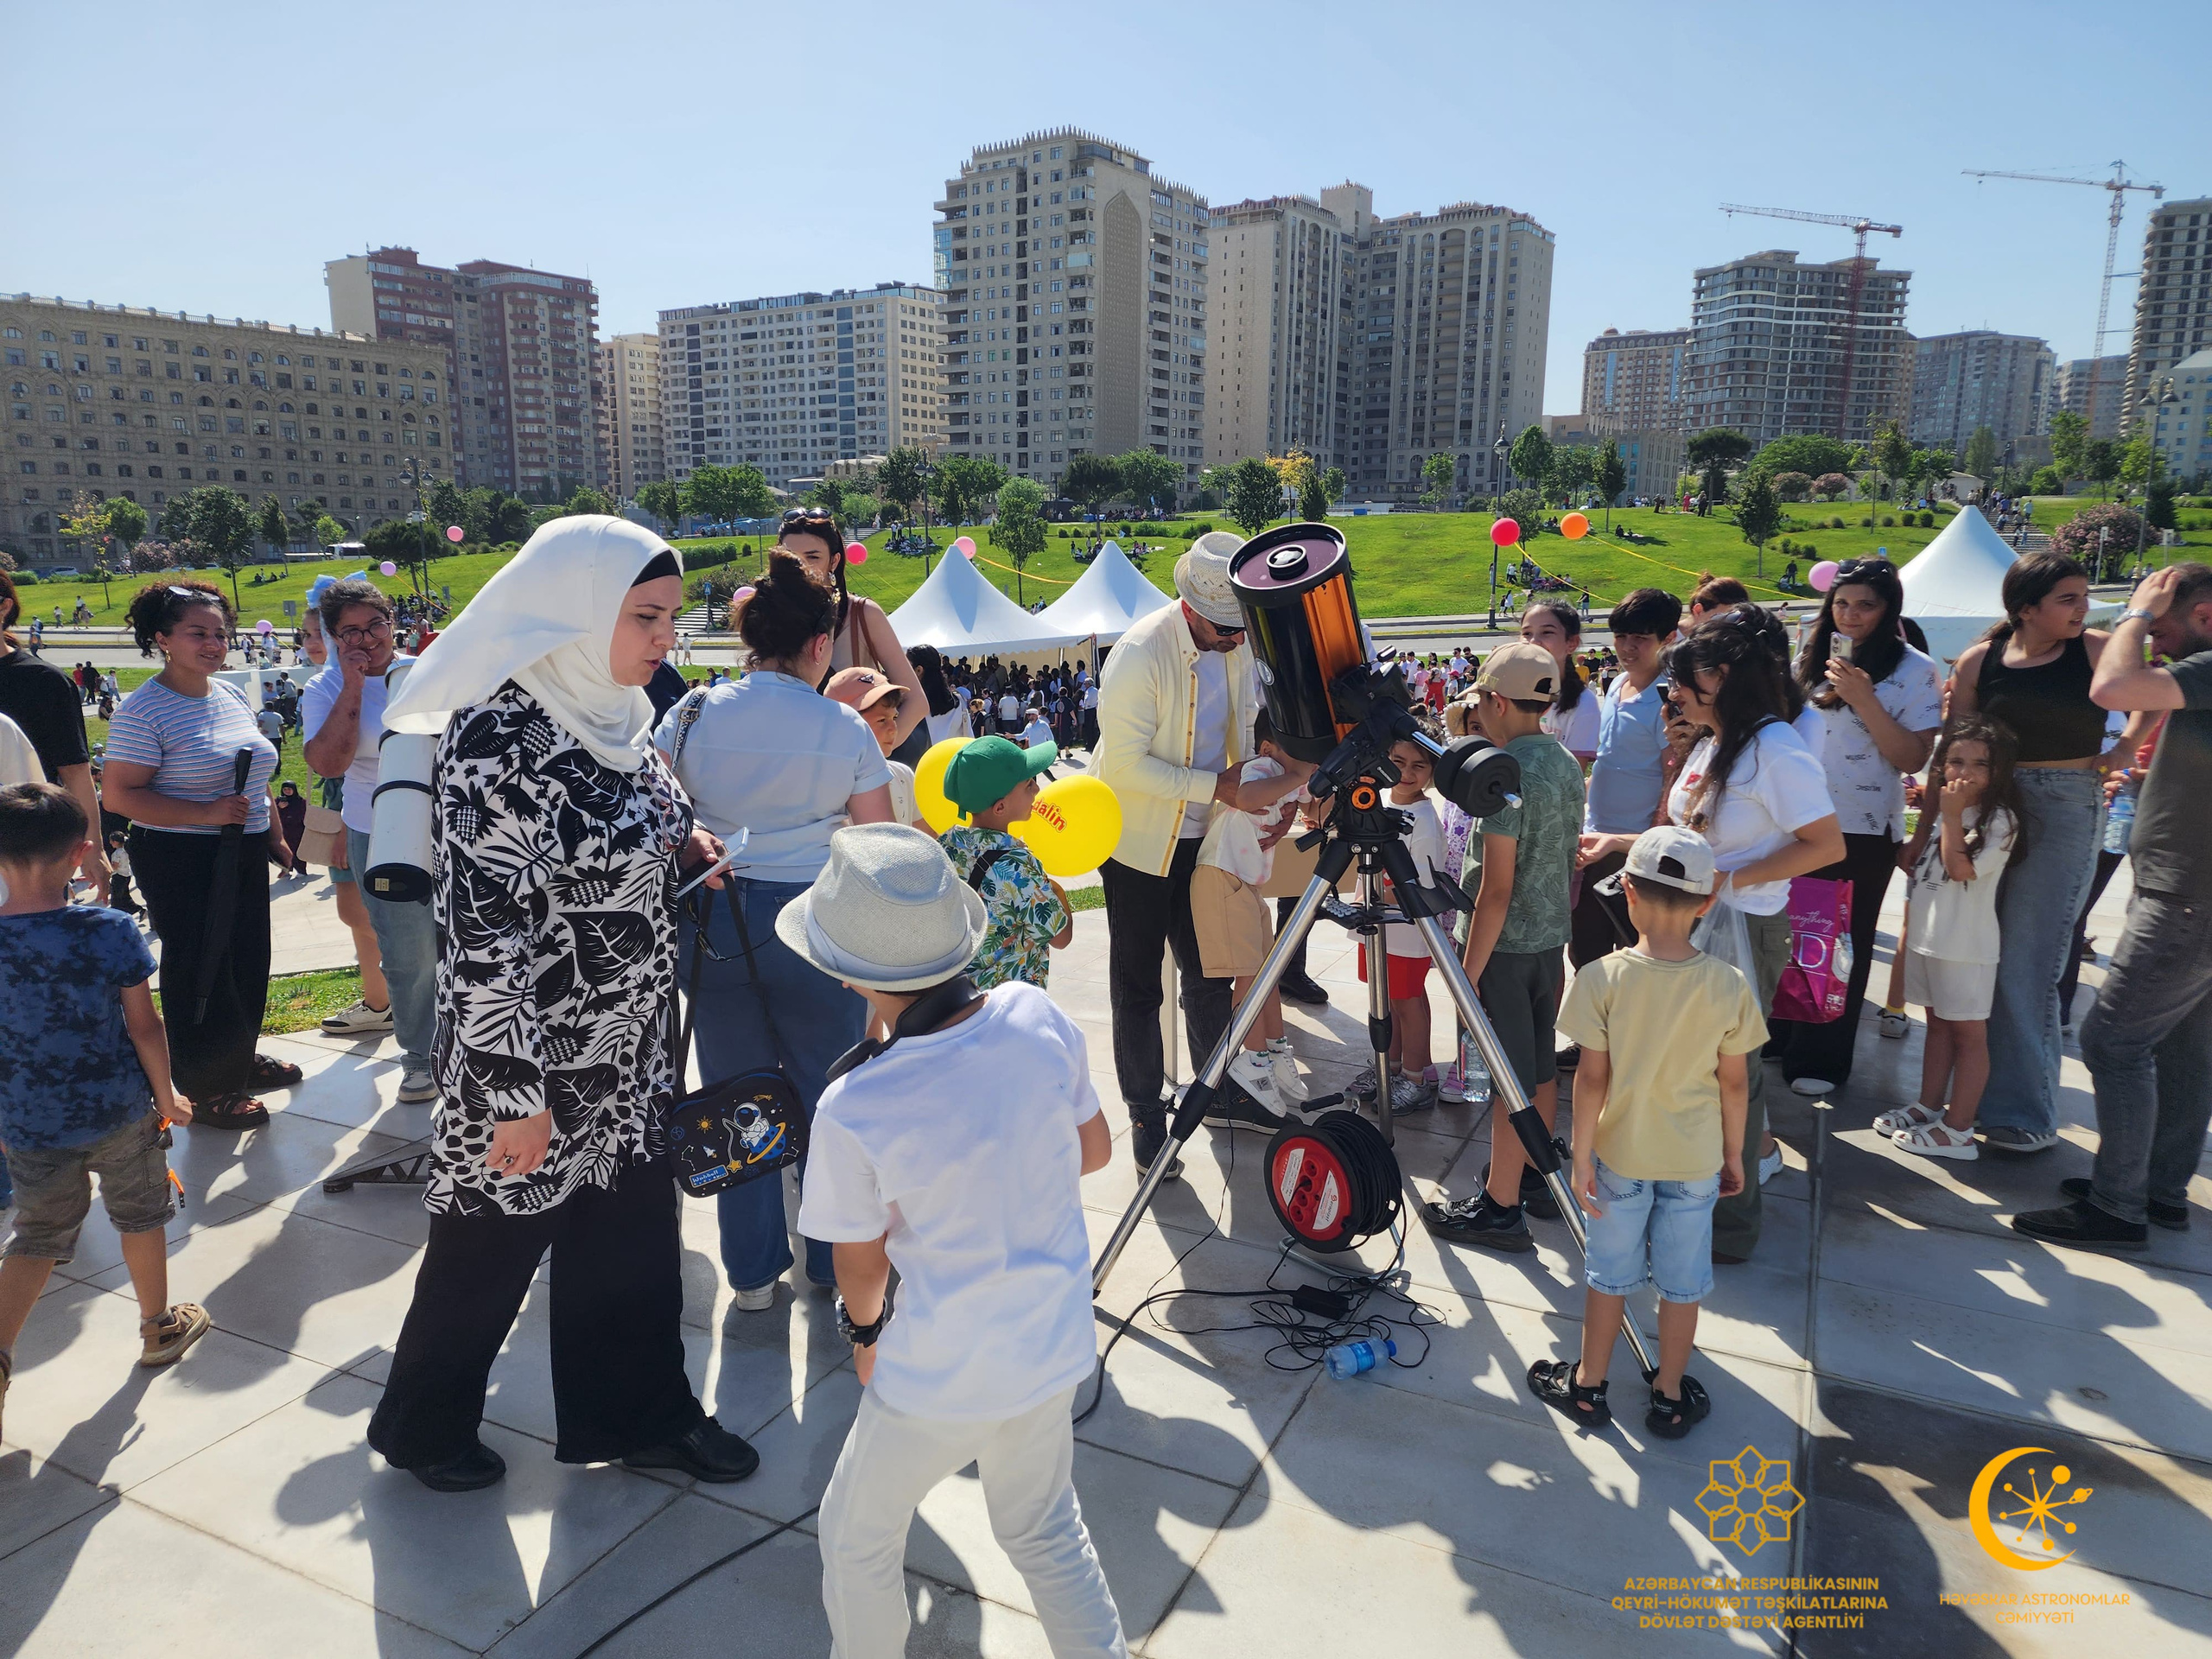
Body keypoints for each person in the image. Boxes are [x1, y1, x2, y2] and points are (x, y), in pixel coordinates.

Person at [369, 514, 757, 1493]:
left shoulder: (617, 714)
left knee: (630, 1244)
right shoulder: (497, 739)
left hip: (626, 1048)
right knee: (486, 1251)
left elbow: (652, 811)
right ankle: (419, 1429)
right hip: (531, 1062)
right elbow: (482, 938)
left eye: (672, 616)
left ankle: (643, 1415)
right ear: (577, 616)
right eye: (646, 617)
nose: (668, 638)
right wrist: (514, 1095)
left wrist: (688, 847)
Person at [790, 825, 1126, 1659]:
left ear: (842, 970)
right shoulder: (1033, 1012)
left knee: (858, 1535)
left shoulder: (854, 1105)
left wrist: (865, 1336)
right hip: (1049, 1341)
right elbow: (1093, 1150)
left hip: (938, 1368)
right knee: (1046, 1531)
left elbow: (859, 1261)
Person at [658, 550, 893, 1312]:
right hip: (814, 923)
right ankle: (829, 1263)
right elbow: (878, 841)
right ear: (821, 644)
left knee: (734, 1095)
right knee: (828, 1099)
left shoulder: (690, 711)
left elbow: (657, 815)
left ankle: (754, 1275)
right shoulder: (844, 725)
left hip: (715, 919)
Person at [1582, 606, 1840, 1262]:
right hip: (1693, 923)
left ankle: (1728, 1227)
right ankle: (1680, 1201)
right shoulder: (1711, 741)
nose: (1672, 693)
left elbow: (1824, 844)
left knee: (1732, 1079)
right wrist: (1622, 841)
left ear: (1721, 676)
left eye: (1684, 680)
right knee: (1680, 1069)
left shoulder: (1776, 748)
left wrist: (1733, 880)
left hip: (1745, 931)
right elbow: (1697, 839)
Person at [1527, 826, 1762, 1440]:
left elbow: (1591, 1078)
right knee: (1683, 1285)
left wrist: (1581, 1157)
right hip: (1695, 1161)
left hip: (1620, 1157)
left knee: (1610, 1278)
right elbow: (1734, 1086)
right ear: (1708, 901)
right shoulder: (1729, 985)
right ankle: (1668, 1395)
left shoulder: (1601, 977)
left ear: (1625, 889)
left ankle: (1588, 1386)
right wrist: (1732, 1153)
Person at [0, 782, 208, 1441]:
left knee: (36, 1236)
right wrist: (168, 1094)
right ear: (83, 853)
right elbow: (145, 1027)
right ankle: (158, 1327)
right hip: (120, 1110)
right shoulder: (111, 929)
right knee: (142, 1215)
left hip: (29, 1123)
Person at [2015, 563, 2212, 1249]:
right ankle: (2160, 1188)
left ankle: (2118, 1205)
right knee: (2185, 1046)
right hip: (2193, 892)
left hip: (2188, 896)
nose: (2150, 639)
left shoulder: (2211, 664)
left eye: (2161, 626)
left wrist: (2131, 613)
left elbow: (2114, 686)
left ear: (2204, 617)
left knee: (2113, 1042)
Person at [1948, 553, 2140, 1154]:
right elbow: (1956, 743)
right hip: (1992, 806)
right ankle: (1975, 1099)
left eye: (2083, 597)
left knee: (2029, 964)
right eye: (2068, 599)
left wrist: (2126, 746)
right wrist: (1941, 823)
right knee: (1977, 956)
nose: (2082, 608)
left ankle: (2025, 1115)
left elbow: (2154, 690)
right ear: (2025, 608)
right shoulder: (1982, 660)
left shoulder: (2095, 650)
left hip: (2065, 806)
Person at [101, 582, 291, 1133]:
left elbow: (253, 774)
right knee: (200, 964)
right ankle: (208, 1085)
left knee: (248, 958)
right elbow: (119, 796)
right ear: (162, 639)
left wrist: (274, 832)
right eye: (197, 634)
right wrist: (208, 813)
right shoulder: (143, 710)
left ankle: (237, 1055)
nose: (213, 644)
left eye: (220, 633)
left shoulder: (226, 693)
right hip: (181, 854)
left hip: (242, 845)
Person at [1095, 532, 1256, 1176]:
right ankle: (1144, 1117)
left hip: (1205, 834)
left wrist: (1254, 787)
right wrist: (1218, 786)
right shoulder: (1139, 651)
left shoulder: (1234, 639)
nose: (1237, 640)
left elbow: (1240, 722)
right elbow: (1127, 767)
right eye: (1227, 629)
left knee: (1210, 973)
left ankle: (1215, 1089)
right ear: (1191, 608)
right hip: (1136, 843)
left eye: (1243, 629)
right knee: (1138, 990)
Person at [1421, 643, 1586, 1252]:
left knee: (1507, 1081)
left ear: (1494, 700)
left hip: (1507, 949)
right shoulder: (1566, 762)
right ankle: (1538, 1175)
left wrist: (1468, 975)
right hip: (1550, 942)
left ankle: (1500, 1205)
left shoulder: (1504, 771)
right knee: (1539, 1066)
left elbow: (1495, 889)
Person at [1773, 557, 1942, 1098]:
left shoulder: (1915, 669)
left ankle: (1821, 1055)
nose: (1850, 615)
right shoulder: (1809, 653)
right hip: (1793, 816)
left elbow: (1913, 757)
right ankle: (1782, 1033)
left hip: (1862, 827)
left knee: (1837, 940)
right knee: (1788, 933)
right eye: (1841, 603)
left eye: (1865, 605)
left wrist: (1865, 699)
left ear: (1888, 609)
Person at [301, 578, 439, 1105]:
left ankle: (470, 1045)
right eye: (349, 631)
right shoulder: (323, 689)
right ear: (333, 637)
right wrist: (353, 686)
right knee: (408, 950)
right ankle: (420, 1058)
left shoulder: (423, 673)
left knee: (462, 939)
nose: (363, 639)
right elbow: (328, 763)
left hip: (447, 826)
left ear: (391, 624)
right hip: (375, 830)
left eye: (373, 625)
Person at [1874, 719, 2021, 1160]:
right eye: (1955, 761)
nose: (1965, 772)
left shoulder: (2001, 822)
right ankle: (1928, 1104)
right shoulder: (1943, 817)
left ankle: (1958, 1130)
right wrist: (1943, 817)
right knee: (1936, 1025)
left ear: (1999, 772)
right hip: (1930, 940)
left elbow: (1962, 870)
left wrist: (1951, 814)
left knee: (1969, 1036)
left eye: (1980, 764)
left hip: (1965, 950)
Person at [1187, 709, 1315, 1122]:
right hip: (1221, 877)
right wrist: (1295, 779)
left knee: (1267, 973)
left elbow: (1311, 802)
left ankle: (1275, 1048)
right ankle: (1254, 1059)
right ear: (1268, 749)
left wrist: (1297, 802)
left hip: (1246, 883)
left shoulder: (1287, 775)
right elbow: (1245, 798)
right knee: (1247, 974)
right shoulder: (1260, 769)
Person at [753, 506, 929, 763]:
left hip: (855, 777)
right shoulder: (766, 620)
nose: (800, 568)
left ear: (834, 561)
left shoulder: (863, 614)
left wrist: (870, 759)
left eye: (812, 557)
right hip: (792, 768)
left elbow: (916, 701)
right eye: (791, 557)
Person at [1570, 589, 1682, 981]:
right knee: (1587, 955)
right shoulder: (1617, 685)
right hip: (1595, 839)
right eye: (1621, 637)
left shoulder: (1672, 698)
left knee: (1637, 962)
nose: (1628, 647)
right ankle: (1591, 1042)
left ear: (1668, 639)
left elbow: (1673, 774)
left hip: (1636, 847)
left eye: (1641, 639)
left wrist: (1649, 843)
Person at [1349, 732, 1449, 1115]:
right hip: (1379, 923)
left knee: (1408, 1000)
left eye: (1418, 765)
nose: (1406, 772)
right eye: (1398, 761)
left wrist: (1374, 897)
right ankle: (1389, 1068)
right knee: (1386, 999)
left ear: (1431, 772)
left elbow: (1421, 883)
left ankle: (1415, 1077)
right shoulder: (1382, 800)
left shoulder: (1423, 819)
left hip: (1405, 927)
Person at [0, 574, 107, 901]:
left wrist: (93, 848)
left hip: (24, 854)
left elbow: (74, 770)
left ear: (4, 607)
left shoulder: (42, 681)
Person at [940, 734, 1072, 991]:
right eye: (1028, 785)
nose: (1037, 789)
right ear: (1000, 808)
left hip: (956, 999)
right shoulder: (1017, 865)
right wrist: (1054, 889)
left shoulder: (944, 846)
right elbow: (1060, 937)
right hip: (1008, 1007)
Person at [826, 667, 918, 826]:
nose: (893, 728)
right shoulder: (823, 786)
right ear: (842, 724)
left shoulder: (902, 775)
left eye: (894, 717)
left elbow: (924, 838)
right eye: (882, 720)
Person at [1521, 601, 1599, 764]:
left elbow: (1572, 778)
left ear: (1572, 643)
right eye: (1527, 633)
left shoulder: (1583, 702)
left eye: (1547, 632)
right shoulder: (1507, 689)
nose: (1534, 641)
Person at [906, 644, 971, 747]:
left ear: (919, 670)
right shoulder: (958, 702)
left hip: (922, 762)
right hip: (951, 760)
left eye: (907, 667)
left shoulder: (910, 705)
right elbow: (969, 740)